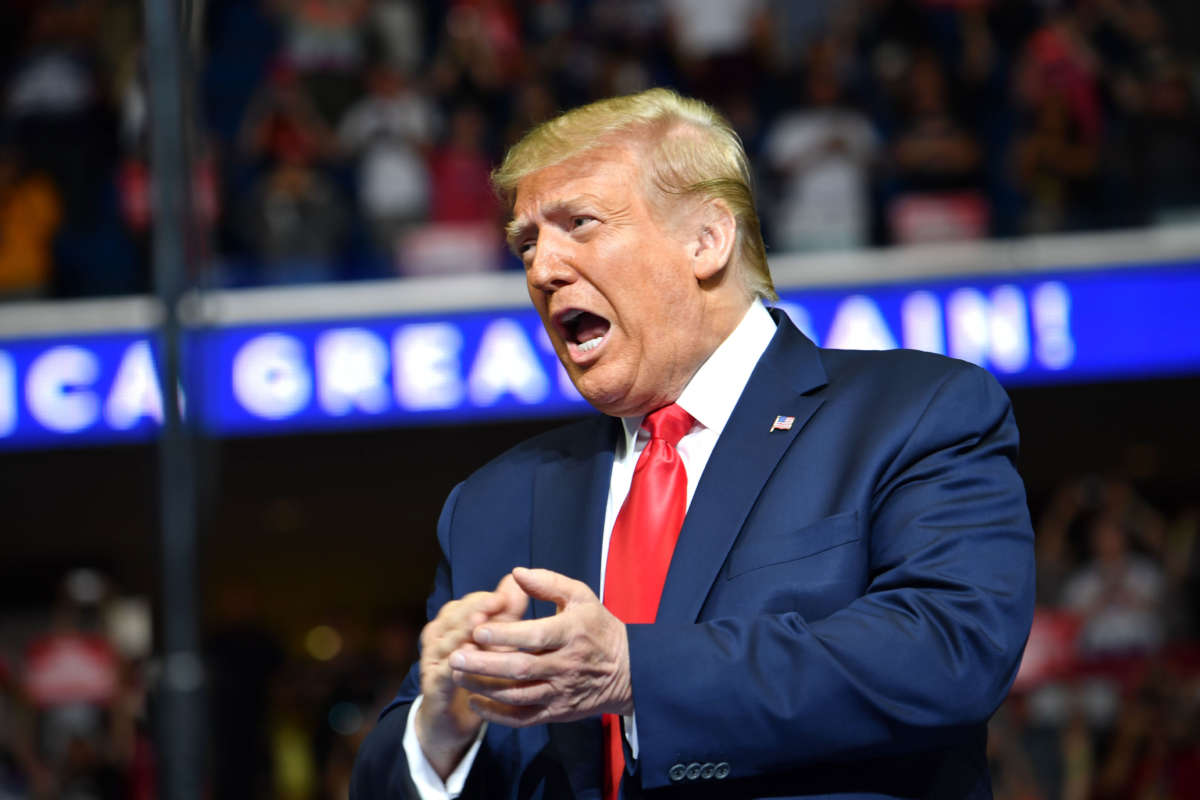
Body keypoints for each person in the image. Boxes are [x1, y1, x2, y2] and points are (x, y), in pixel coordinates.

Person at [351, 88, 1035, 799]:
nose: (542, 269)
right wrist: (441, 736)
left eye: (578, 224)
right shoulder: (492, 503)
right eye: (527, 242)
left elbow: (950, 650)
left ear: (706, 241)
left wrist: (633, 670)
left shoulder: (914, 414)